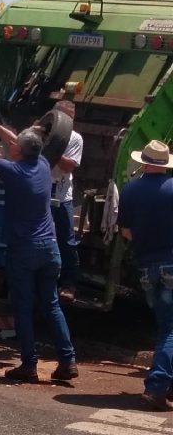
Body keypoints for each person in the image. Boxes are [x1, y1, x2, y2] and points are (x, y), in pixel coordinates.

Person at [0, 114, 78, 383]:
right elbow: (20, 140)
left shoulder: (14, 171)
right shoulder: (43, 164)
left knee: (23, 308)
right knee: (51, 305)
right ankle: (68, 361)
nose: (11, 145)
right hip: (50, 249)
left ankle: (29, 365)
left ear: (19, 151)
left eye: (14, 145)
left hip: (24, 251)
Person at [117, 139, 173, 411]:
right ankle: (157, 387)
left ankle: (166, 385)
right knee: (171, 330)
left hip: (147, 266)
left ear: (144, 162)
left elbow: (126, 232)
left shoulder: (130, 190)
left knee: (165, 326)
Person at [50, 100, 83, 302]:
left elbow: (69, 166)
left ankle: (68, 284)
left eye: (71, 119)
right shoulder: (38, 133)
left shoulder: (75, 138)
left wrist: (51, 148)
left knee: (67, 240)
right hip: (40, 194)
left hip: (62, 196)